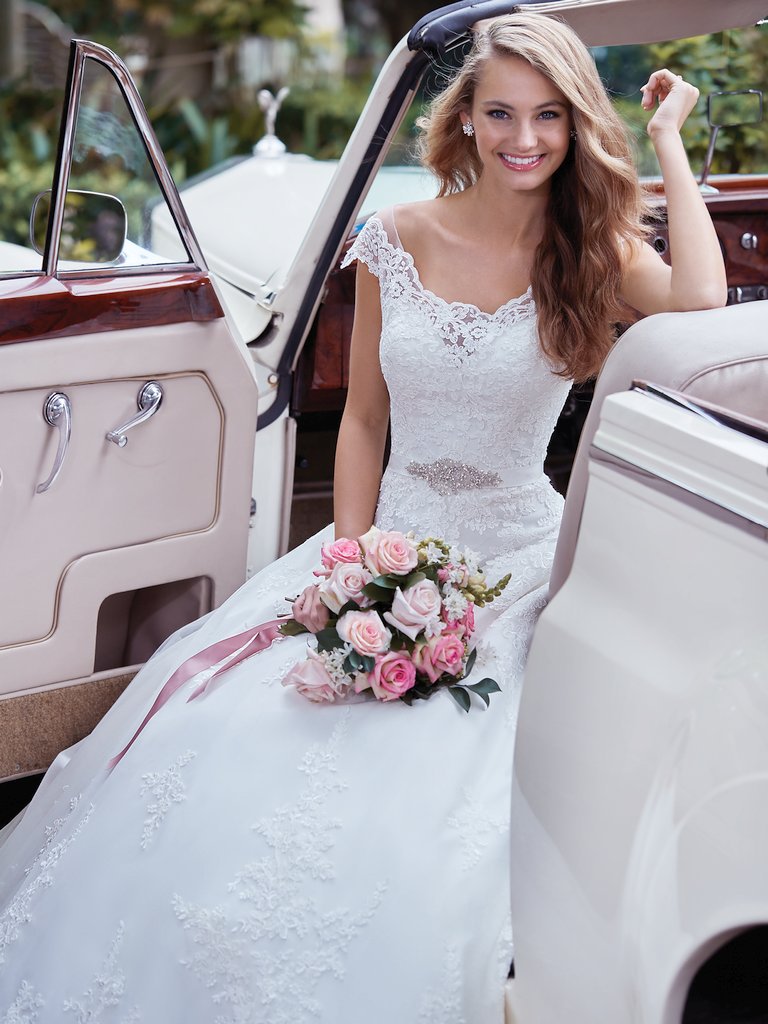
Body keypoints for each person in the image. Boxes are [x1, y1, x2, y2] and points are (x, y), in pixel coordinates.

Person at [0, 12, 725, 1023]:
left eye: (549, 116)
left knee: (453, 788)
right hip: (384, 543)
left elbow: (703, 298)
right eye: (501, 113)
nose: (523, 138)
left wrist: (668, 138)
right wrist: (351, 562)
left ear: (574, 126)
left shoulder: (591, 250)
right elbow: (366, 421)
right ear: (464, 119)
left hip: (519, 560)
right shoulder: (395, 237)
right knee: (233, 737)